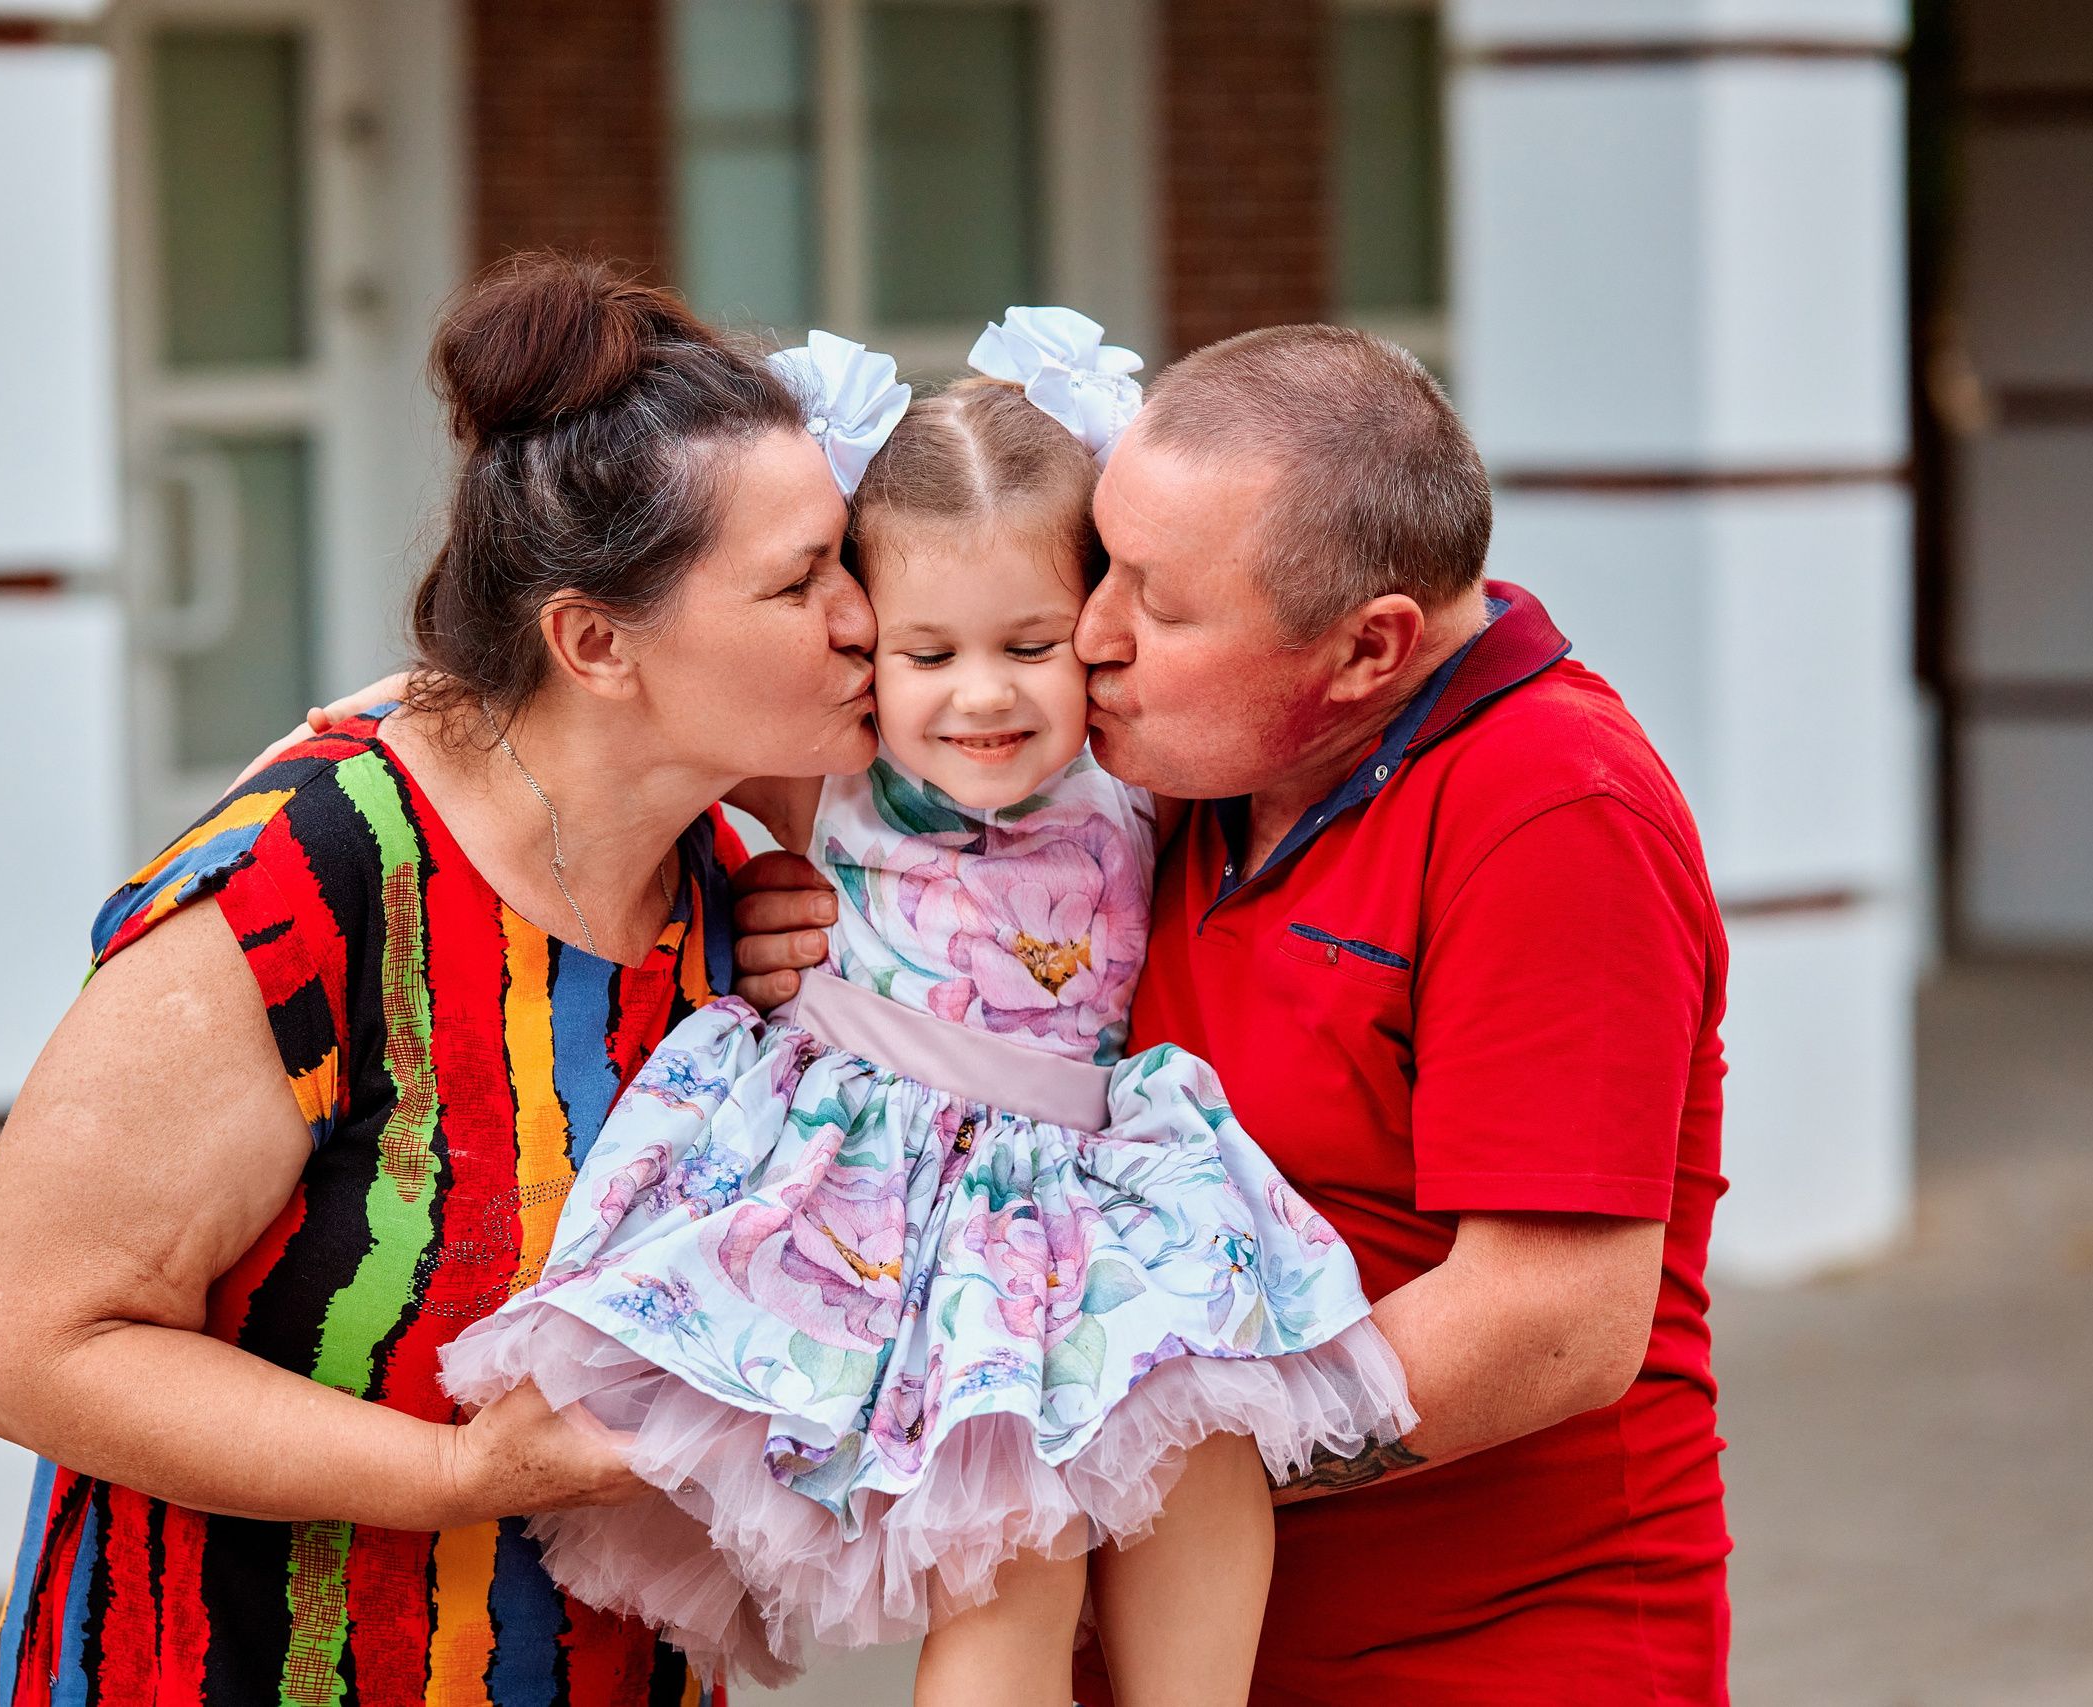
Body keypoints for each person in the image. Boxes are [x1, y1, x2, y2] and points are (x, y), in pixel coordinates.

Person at [728, 326, 1734, 1703]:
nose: (1092, 635)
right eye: (1104, 565)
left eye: (1156, 601)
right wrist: (809, 940)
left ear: (1369, 648)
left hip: (1479, 1658)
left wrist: (1091, 1440)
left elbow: (1553, 1322)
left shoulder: (1553, 811)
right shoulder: (1186, 766)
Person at [0, 253, 879, 1707]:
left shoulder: (723, 879)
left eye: (848, 559)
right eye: (800, 581)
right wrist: (456, 1474)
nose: (864, 615)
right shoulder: (303, 885)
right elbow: (27, 1344)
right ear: (592, 642)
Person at [438, 312, 1412, 1707]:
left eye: (1031, 643)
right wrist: (335, 741)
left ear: (1098, 633)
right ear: (865, 651)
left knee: (1206, 1457)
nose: (982, 696)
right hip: (883, 1201)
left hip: (1086, 1187)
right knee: (1016, 1565)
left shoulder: (1139, 772)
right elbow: (550, 708)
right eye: (928, 653)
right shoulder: (825, 766)